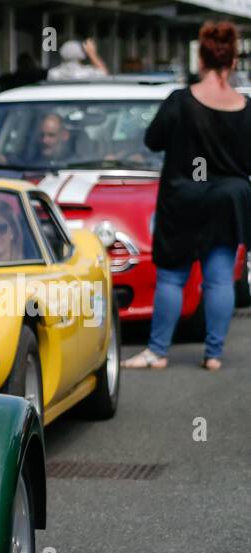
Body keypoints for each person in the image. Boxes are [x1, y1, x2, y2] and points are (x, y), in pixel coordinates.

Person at [124, 21, 251, 370]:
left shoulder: (181, 101)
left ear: (202, 57)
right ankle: (213, 354)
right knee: (220, 278)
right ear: (234, 60)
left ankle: (158, 351)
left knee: (171, 276)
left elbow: (153, 140)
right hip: (228, 198)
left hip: (183, 196)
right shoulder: (246, 105)